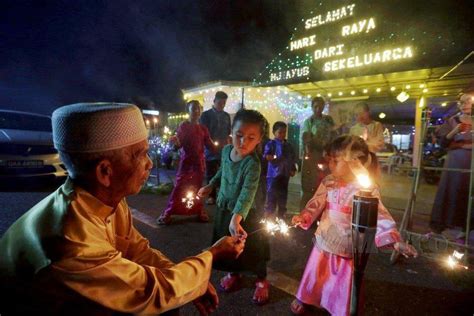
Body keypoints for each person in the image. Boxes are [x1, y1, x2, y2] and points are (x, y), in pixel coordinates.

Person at [0, 103, 245, 315]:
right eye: (142, 154)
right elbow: (148, 291)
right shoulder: (71, 238)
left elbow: (134, 248)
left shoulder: (104, 199)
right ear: (105, 172)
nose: (150, 163)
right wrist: (211, 255)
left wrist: (187, 281)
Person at [290, 135, 417, 316]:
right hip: (326, 237)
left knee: (342, 280)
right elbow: (316, 202)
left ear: (355, 162)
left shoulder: (365, 188)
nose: (330, 165)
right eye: (330, 160)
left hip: (348, 243)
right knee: (318, 272)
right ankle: (308, 297)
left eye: (336, 161)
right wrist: (304, 216)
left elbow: (379, 215)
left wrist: (395, 241)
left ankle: (338, 308)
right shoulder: (329, 181)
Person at [198, 109, 271, 305]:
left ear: (259, 140)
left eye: (250, 138)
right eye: (239, 135)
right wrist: (211, 185)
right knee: (227, 244)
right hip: (225, 209)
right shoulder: (225, 151)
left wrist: (237, 216)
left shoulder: (253, 164)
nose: (243, 142)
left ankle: (262, 279)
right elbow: (222, 171)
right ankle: (234, 273)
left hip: (246, 213)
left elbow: (248, 192)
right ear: (232, 132)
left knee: (254, 247)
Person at [157, 100, 214, 225]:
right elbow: (178, 145)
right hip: (186, 163)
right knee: (179, 188)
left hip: (199, 164)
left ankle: (199, 210)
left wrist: (226, 147)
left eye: (198, 108)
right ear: (188, 111)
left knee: (198, 189)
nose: (196, 111)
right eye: (193, 109)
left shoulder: (203, 128)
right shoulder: (184, 126)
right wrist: (175, 144)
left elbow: (210, 145)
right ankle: (168, 212)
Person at [430, 94, 472, 241]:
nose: (465, 104)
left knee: (469, 192)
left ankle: (467, 226)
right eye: (462, 102)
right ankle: (450, 225)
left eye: (469, 101)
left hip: (472, 160)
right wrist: (455, 131)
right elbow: (442, 143)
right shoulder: (452, 120)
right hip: (456, 159)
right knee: (453, 189)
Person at [301, 97, 335, 209]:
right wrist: (308, 153)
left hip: (325, 155)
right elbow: (306, 138)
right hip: (312, 154)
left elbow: (332, 136)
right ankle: (306, 211)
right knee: (309, 184)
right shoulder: (308, 122)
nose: (317, 109)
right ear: (312, 107)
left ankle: (322, 210)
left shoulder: (328, 121)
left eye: (320, 106)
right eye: (315, 106)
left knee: (323, 183)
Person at [200, 91, 232, 205]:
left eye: (224, 103)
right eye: (220, 102)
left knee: (224, 173)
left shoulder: (226, 116)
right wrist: (210, 144)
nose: (222, 105)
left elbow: (229, 131)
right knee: (211, 173)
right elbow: (203, 131)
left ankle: (222, 194)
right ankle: (211, 195)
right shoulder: (206, 115)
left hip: (223, 150)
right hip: (210, 150)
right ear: (214, 101)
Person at [264, 121, 297, 218]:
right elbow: (266, 155)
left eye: (284, 132)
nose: (282, 135)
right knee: (272, 195)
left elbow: (292, 158)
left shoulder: (288, 146)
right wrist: (269, 157)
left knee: (283, 195)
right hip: (273, 175)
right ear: (274, 132)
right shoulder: (271, 144)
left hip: (284, 175)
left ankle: (281, 216)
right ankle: (269, 216)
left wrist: (293, 169)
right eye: (280, 132)